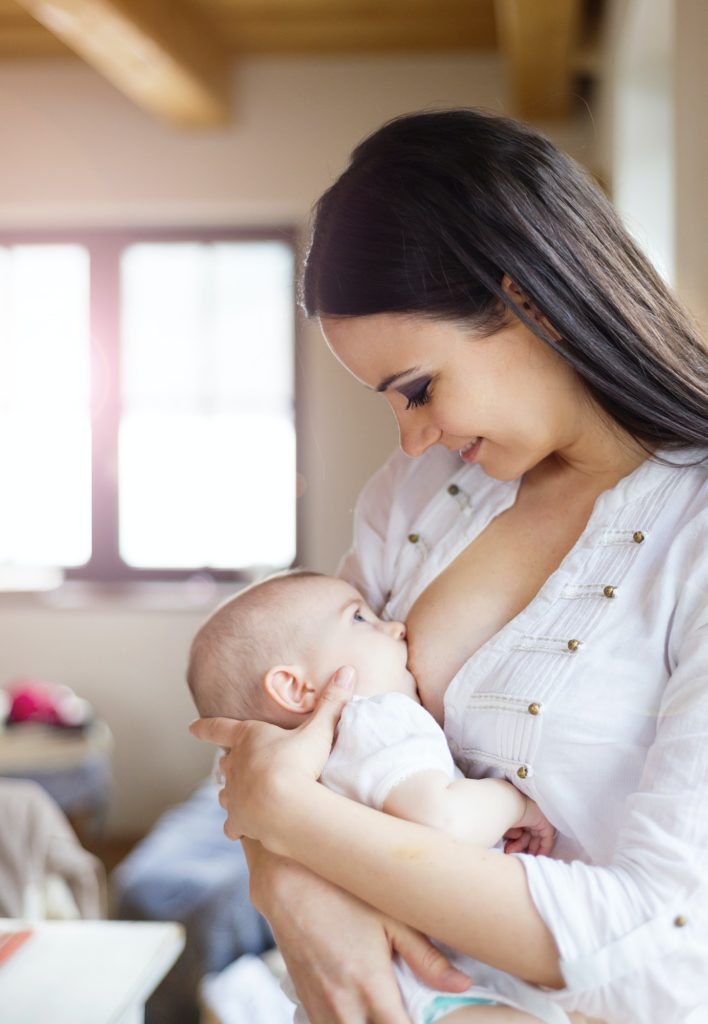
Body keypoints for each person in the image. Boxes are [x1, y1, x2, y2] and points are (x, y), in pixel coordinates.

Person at [191, 109, 708, 1024]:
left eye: (419, 389)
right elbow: (294, 722)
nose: (414, 434)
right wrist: (289, 887)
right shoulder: (420, 497)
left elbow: (659, 942)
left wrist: (289, 824)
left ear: (531, 302)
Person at [187, 569, 569, 1024]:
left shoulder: (285, 762)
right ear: (297, 687)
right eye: (360, 619)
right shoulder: (376, 720)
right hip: (431, 983)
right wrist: (515, 803)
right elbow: (440, 820)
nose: (395, 626)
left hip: (368, 986)